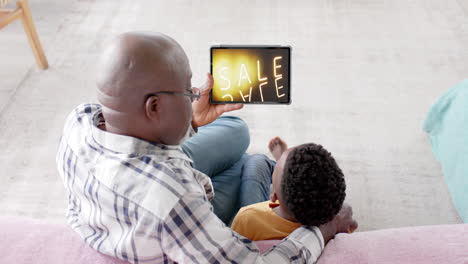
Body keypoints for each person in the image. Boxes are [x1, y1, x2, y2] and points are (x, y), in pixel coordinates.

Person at [56, 31, 357, 263]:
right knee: (250, 164)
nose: (196, 94)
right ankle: (259, 176)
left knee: (238, 133)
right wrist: (322, 229)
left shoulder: (80, 120)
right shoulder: (172, 197)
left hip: (129, 193)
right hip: (162, 209)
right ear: (154, 107)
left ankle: (258, 171)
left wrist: (194, 121)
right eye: (188, 90)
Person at [232, 137, 358, 241]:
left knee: (255, 162)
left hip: (259, 223)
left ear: (274, 195)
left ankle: (284, 170)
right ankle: (286, 172)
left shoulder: (247, 218)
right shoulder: (336, 226)